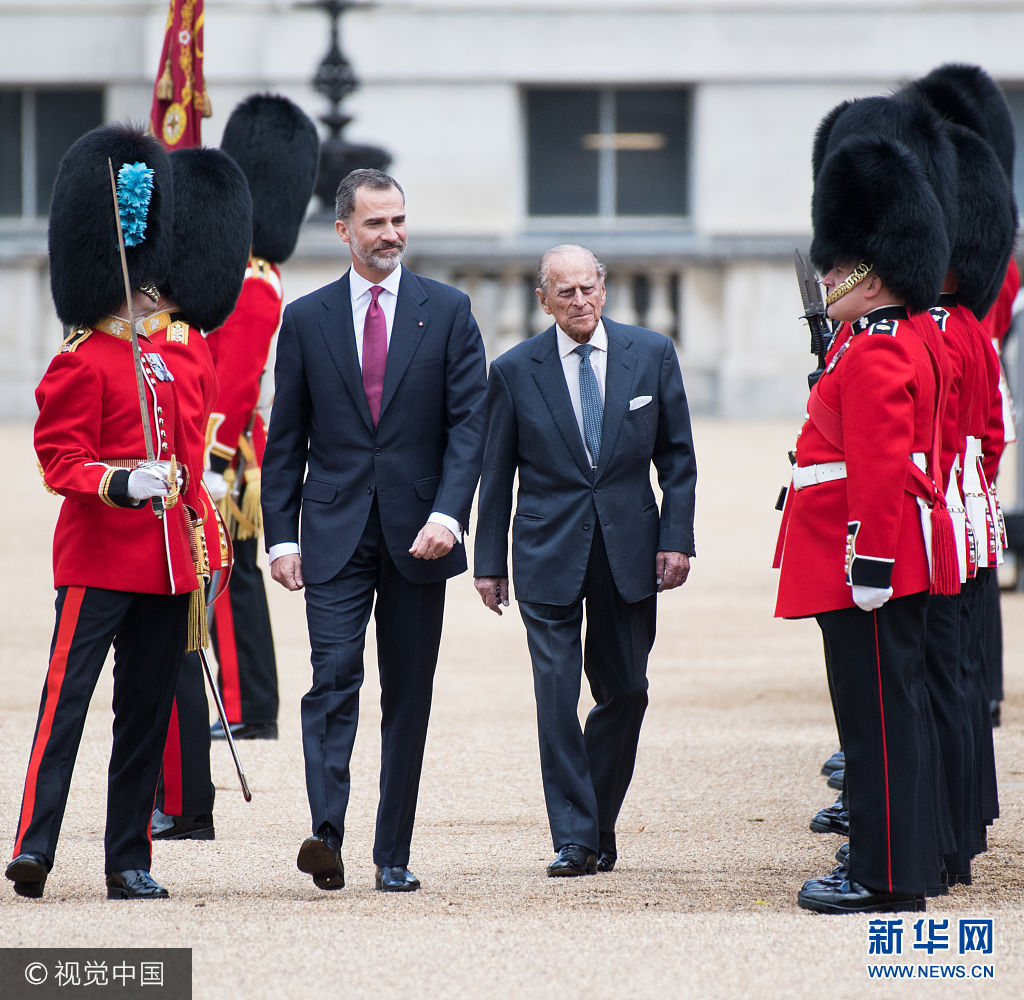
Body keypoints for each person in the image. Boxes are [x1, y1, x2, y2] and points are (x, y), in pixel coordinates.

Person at [261, 168, 488, 892]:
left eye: (397, 221)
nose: (390, 234)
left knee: (407, 693)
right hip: (331, 532)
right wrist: (282, 535)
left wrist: (450, 515)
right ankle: (327, 833)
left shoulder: (448, 310)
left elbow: (470, 427)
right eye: (375, 223)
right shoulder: (304, 319)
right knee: (330, 680)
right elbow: (285, 437)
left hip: (421, 533)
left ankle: (393, 853)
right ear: (343, 231)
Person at [5, 123, 205, 900]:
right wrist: (122, 483)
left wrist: (192, 490)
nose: (154, 293)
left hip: (165, 567)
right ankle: (34, 845)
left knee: (143, 722)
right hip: (98, 559)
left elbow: (188, 453)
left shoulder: (169, 358)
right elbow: (60, 462)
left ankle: (129, 860)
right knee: (65, 710)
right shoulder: (79, 360)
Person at [774, 130, 958, 914]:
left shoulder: (879, 351)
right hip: (863, 558)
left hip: (864, 567)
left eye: (836, 267)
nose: (825, 277)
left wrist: (872, 563)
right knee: (887, 718)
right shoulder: (879, 340)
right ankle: (901, 865)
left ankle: (883, 878)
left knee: (877, 724)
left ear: (871, 275)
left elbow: (880, 473)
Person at [473, 244, 697, 876]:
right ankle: (574, 836)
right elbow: (497, 476)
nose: (579, 301)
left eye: (587, 288)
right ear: (542, 300)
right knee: (555, 696)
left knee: (626, 690)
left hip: (630, 548)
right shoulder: (515, 370)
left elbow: (678, 458)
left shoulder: (650, 354)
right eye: (563, 292)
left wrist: (676, 538)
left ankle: (596, 820)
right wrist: (488, 562)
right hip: (547, 549)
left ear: (604, 288)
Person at [205, 94, 319, 741]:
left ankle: (249, 707)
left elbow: (238, 379)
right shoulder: (236, 271)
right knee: (227, 577)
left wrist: (211, 460)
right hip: (223, 449)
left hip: (231, 459)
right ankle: (247, 703)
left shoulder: (251, 279)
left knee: (228, 578)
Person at [148, 146, 254, 840]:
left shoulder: (178, 344)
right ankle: (180, 798)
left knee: (177, 667)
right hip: (175, 523)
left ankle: (187, 806)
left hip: (183, 526)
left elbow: (181, 444)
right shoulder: (167, 337)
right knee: (168, 667)